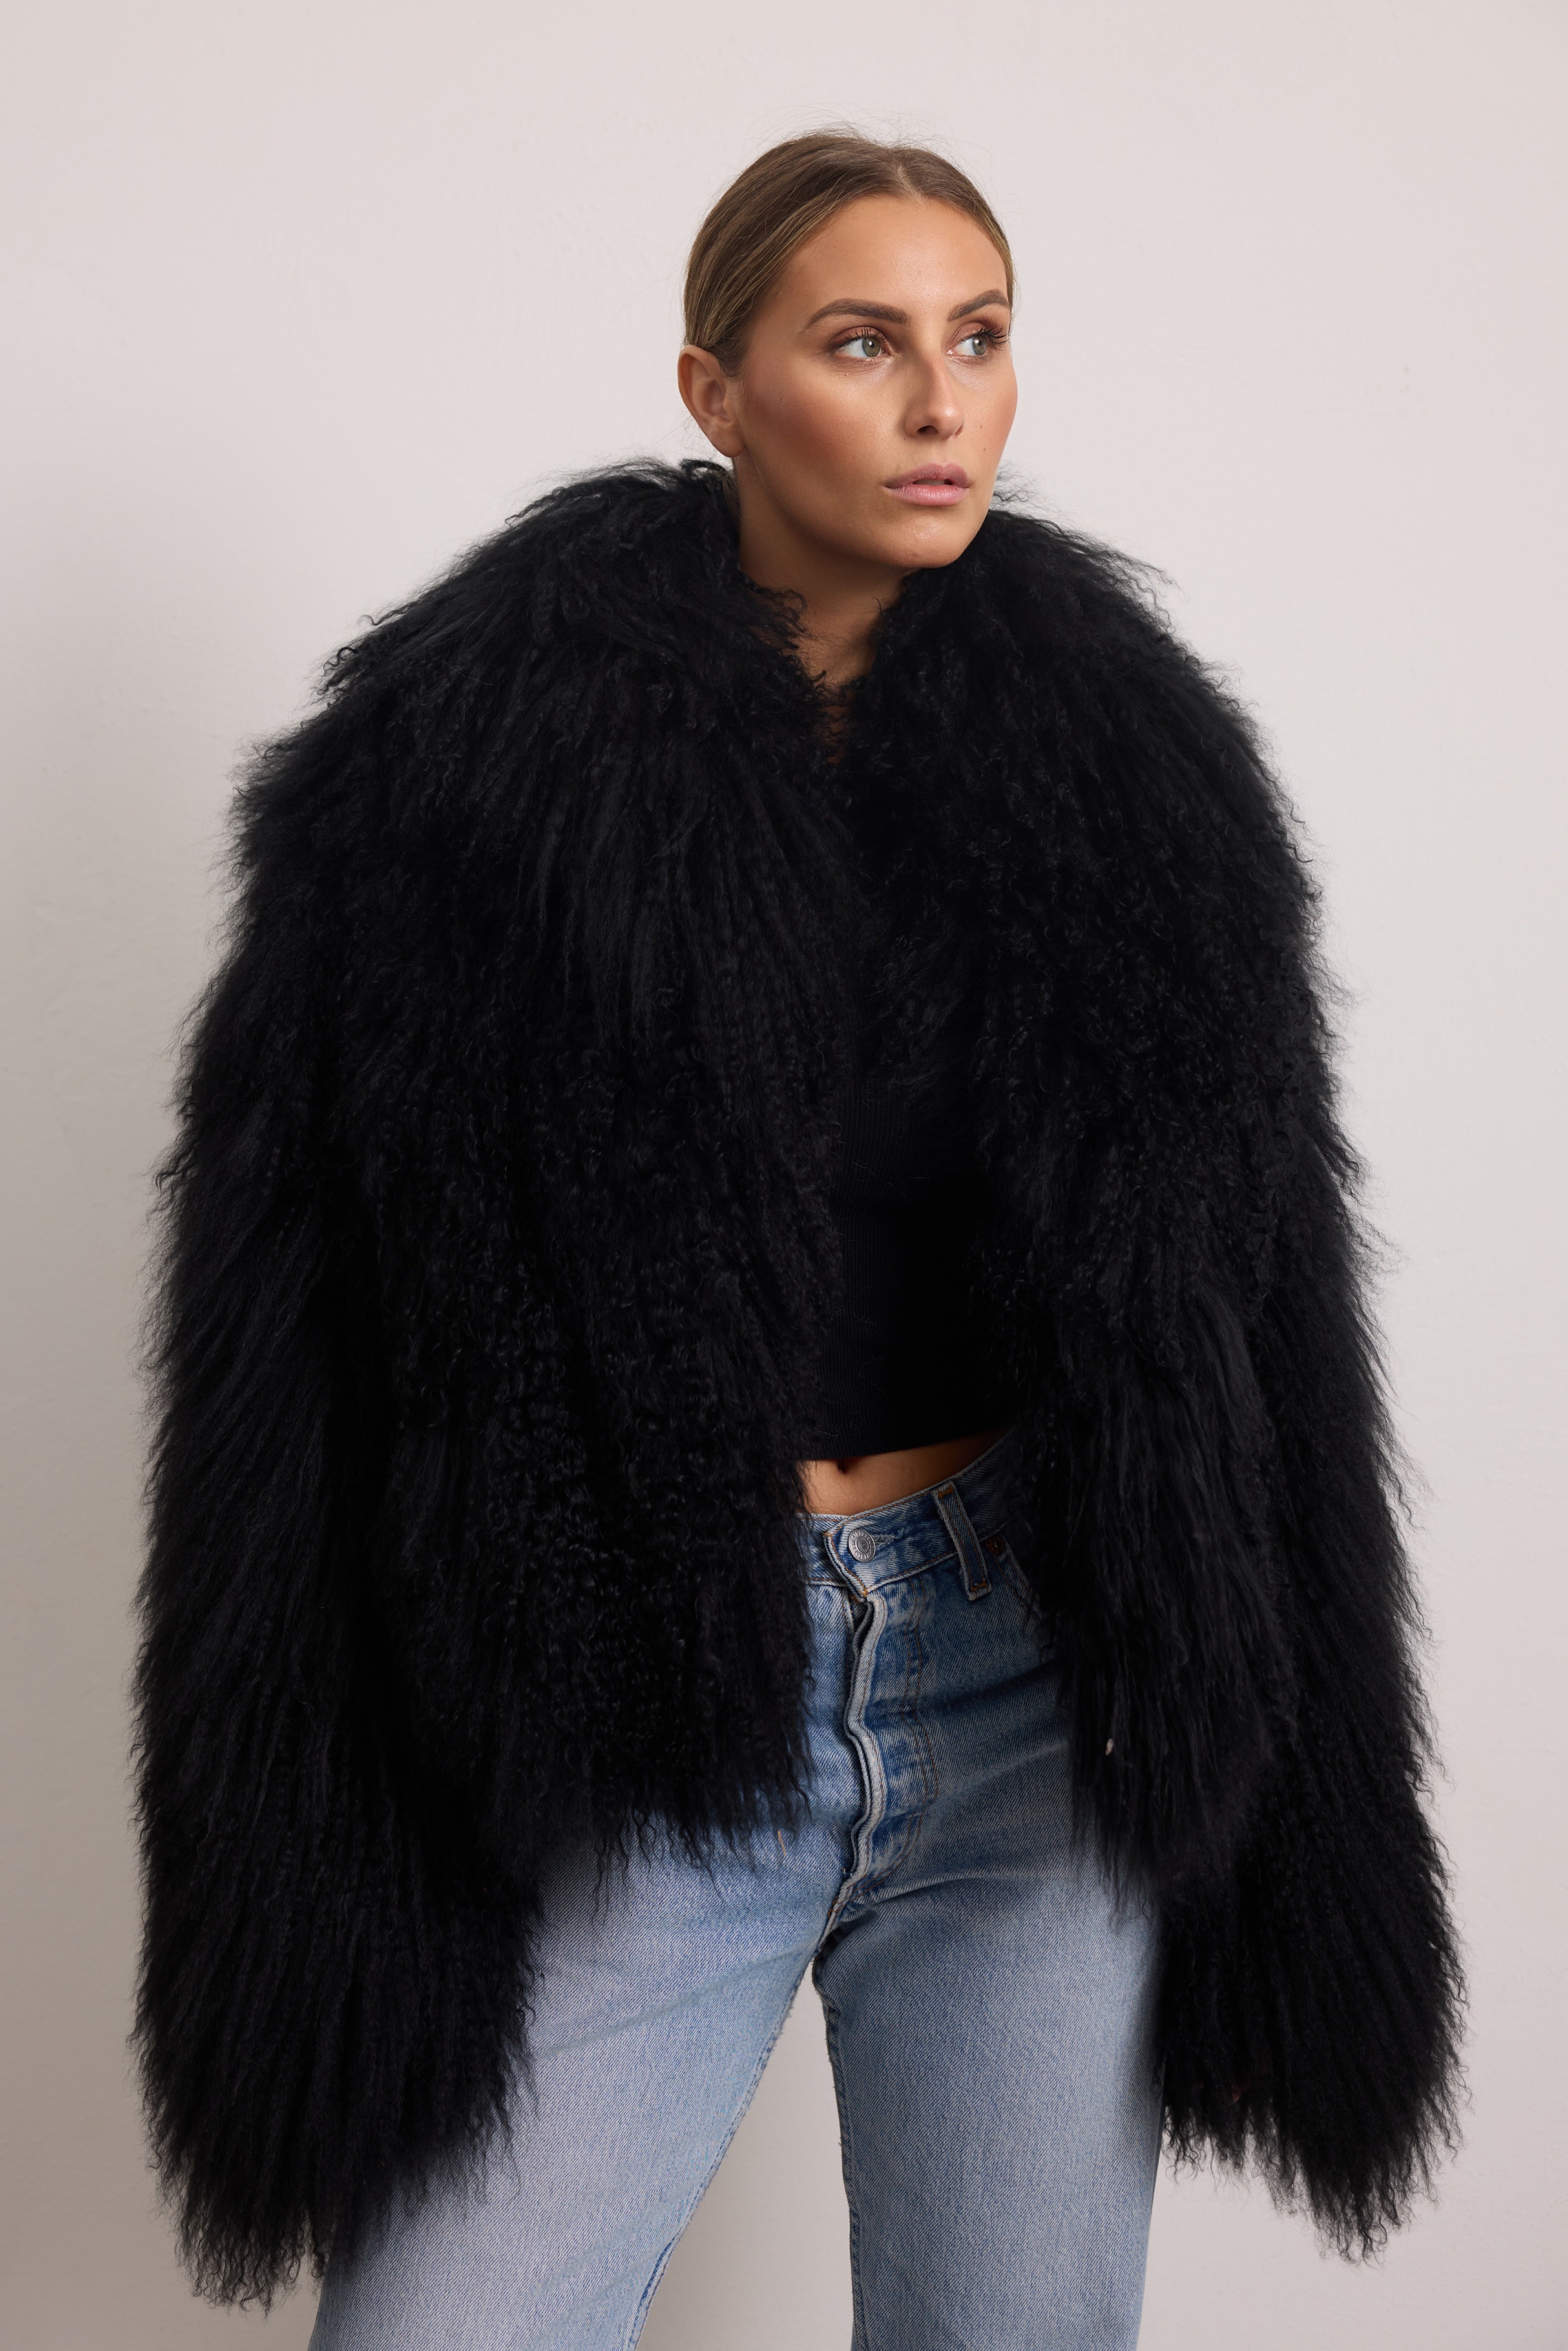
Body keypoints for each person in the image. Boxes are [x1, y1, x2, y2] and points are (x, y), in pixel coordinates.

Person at [133, 132, 1461, 2349]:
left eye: (980, 337)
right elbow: (294, 1350)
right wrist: (328, 1860)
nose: (943, 403)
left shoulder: (1141, 788)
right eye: (863, 343)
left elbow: (1264, 1349)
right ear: (717, 390)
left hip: (1034, 1688)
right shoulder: (461, 785)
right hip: (639, 1680)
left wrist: (1283, 1869)